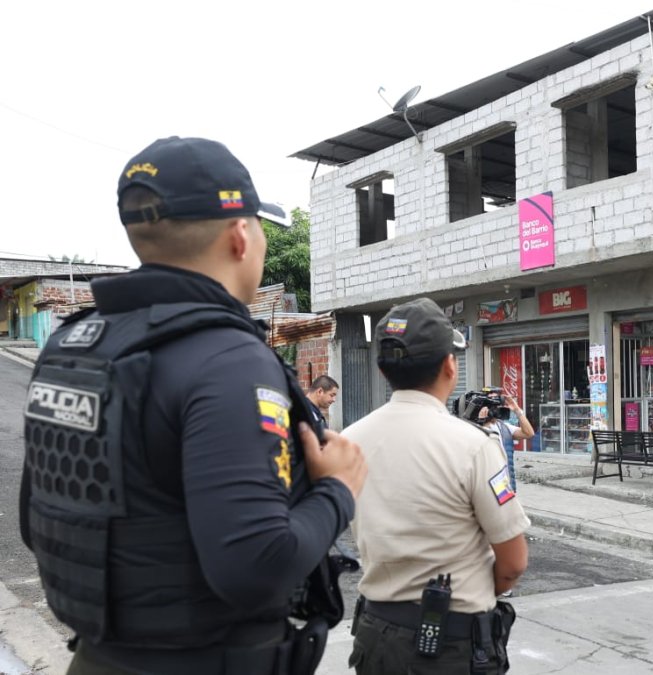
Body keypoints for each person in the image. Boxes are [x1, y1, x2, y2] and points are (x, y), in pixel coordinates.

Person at [19, 136, 367, 675]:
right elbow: (255, 566)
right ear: (239, 236)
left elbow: (43, 518)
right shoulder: (227, 360)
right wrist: (338, 491)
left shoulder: (73, 344)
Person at [344, 298, 529, 674]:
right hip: (451, 645)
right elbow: (512, 564)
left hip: (374, 638)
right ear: (449, 365)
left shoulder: (349, 441)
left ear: (383, 371)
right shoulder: (473, 445)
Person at [477, 388, 535, 492]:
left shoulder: (504, 427)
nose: (494, 407)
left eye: (497, 402)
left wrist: (517, 410)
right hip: (487, 487)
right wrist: (481, 423)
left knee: (508, 507)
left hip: (506, 485)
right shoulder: (475, 428)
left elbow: (529, 433)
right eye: (491, 402)